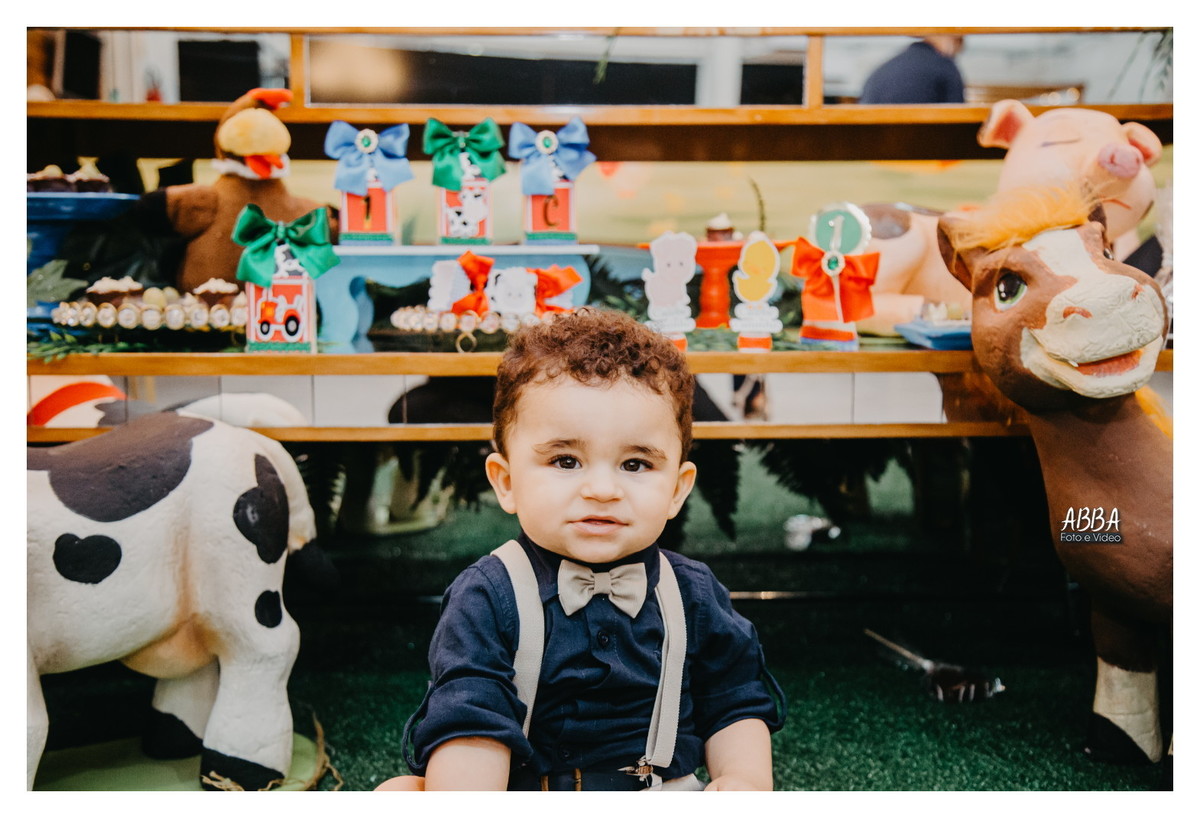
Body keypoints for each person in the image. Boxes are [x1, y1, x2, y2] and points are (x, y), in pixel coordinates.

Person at [378, 308, 785, 791]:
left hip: (659, 790)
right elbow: (470, 721)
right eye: (566, 460)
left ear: (677, 489)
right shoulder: (487, 595)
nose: (602, 490)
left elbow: (734, 700)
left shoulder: (692, 593)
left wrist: (742, 780)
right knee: (399, 793)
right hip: (529, 793)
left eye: (635, 464)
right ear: (506, 482)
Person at [858, 35, 965, 104]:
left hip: (872, 132)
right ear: (954, 41)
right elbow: (959, 118)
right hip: (919, 132)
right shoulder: (944, 66)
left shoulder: (884, 68)